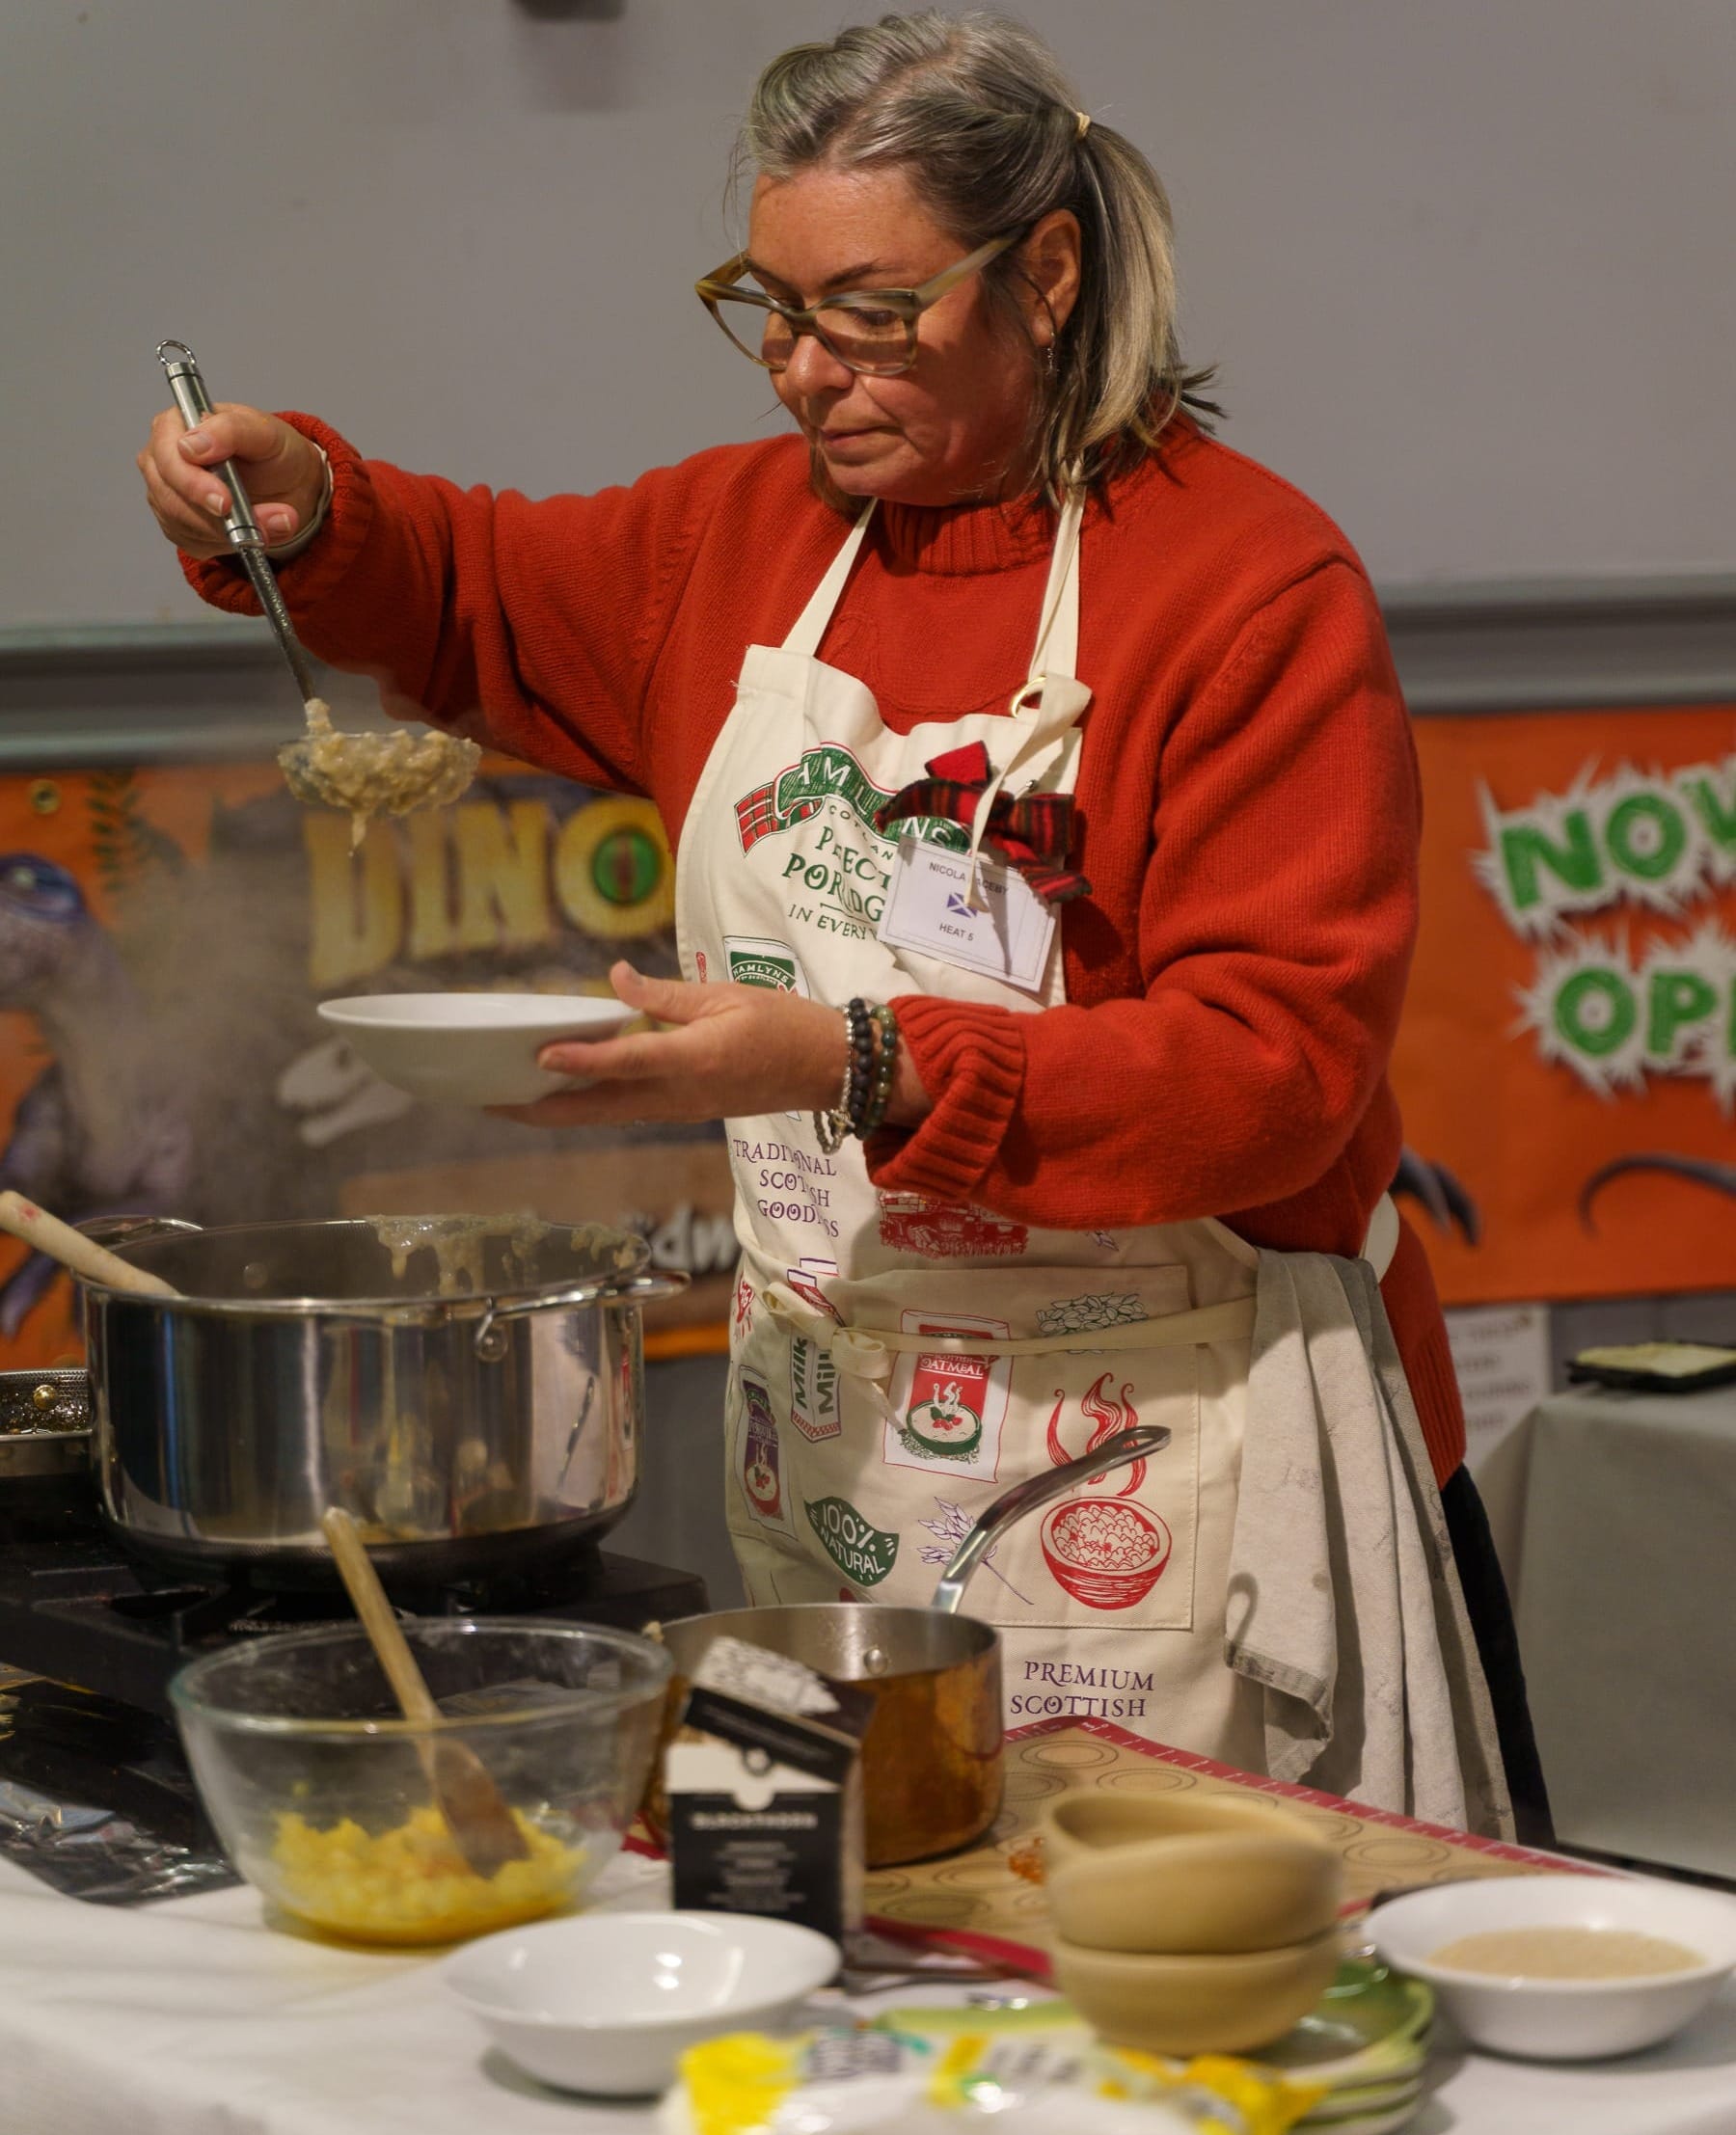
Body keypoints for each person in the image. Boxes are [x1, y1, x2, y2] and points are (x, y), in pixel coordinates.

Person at [139, 9, 1546, 1840]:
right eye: (772, 309)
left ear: (1045, 274)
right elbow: (473, 586)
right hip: (849, 1449)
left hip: (1194, 1463)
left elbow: (1274, 1076)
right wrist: (312, 507)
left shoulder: (1250, 588)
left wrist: (862, 1062)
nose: (803, 373)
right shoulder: (739, 544)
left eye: (870, 313)